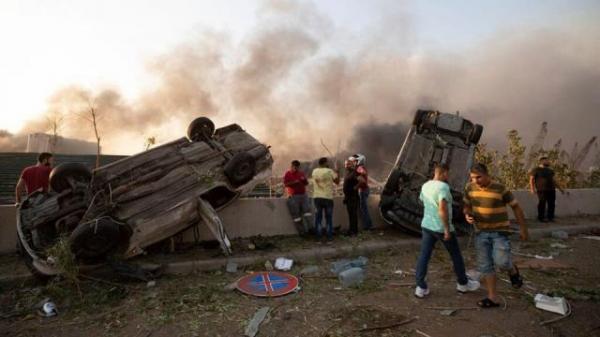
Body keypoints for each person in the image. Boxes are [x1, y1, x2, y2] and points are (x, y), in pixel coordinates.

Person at [463, 163, 528, 308]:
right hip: (480, 232)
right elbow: (467, 206)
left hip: (499, 232)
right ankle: (493, 298)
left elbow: (516, 207)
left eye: (478, 177)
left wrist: (523, 229)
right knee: (485, 266)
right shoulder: (469, 188)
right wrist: (467, 215)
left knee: (502, 262)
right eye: (472, 178)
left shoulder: (500, 188)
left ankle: (512, 269)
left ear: (487, 175)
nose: (475, 181)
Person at [414, 163, 480, 298]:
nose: (448, 176)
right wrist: (446, 230)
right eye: (447, 173)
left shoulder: (425, 185)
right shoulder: (443, 187)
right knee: (456, 255)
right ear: (443, 173)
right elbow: (442, 209)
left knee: (424, 256)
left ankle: (420, 287)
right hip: (441, 227)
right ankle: (463, 284)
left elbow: (422, 201)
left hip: (427, 226)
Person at [311, 157, 340, 243]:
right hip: (327, 198)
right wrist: (337, 171)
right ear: (324, 163)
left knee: (318, 219)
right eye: (327, 162)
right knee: (328, 219)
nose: (328, 163)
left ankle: (318, 239)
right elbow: (337, 182)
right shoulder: (330, 171)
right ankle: (329, 238)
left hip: (317, 198)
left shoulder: (314, 171)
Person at [529, 156, 566, 222]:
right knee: (542, 203)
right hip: (541, 189)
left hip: (551, 189)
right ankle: (541, 218)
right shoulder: (536, 169)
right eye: (546, 160)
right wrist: (532, 189)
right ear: (541, 161)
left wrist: (560, 189)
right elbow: (531, 179)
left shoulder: (550, 170)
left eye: (548, 160)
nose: (548, 161)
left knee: (551, 204)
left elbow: (554, 181)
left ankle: (551, 218)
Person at [283, 160, 312, 235]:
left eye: (296, 167)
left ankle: (311, 229)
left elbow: (306, 183)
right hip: (293, 196)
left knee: (307, 213)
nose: (295, 168)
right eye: (293, 166)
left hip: (303, 195)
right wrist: (294, 182)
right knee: (296, 216)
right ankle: (302, 232)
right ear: (291, 166)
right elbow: (286, 184)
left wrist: (304, 180)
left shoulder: (301, 173)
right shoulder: (288, 174)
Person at [352, 154, 373, 230]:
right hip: (364, 190)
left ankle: (368, 226)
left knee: (364, 209)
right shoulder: (361, 167)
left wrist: (357, 171)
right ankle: (367, 225)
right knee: (363, 208)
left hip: (363, 191)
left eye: (355, 161)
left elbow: (363, 172)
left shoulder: (360, 168)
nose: (354, 162)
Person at [343, 157, 360, 236]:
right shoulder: (347, 173)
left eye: (348, 164)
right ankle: (351, 230)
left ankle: (354, 232)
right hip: (348, 197)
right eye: (346, 164)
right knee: (350, 214)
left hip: (353, 197)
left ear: (352, 165)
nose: (346, 165)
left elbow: (362, 180)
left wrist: (355, 188)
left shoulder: (354, 173)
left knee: (353, 215)